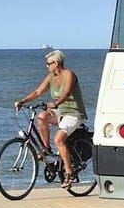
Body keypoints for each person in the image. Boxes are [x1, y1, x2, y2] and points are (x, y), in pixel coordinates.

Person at [15, 49, 88, 189]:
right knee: (42, 116)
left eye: (48, 63)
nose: (47, 66)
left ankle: (69, 173)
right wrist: (23, 101)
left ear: (56, 63)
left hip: (73, 113)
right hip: (60, 111)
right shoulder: (51, 77)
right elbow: (38, 92)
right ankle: (46, 148)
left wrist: (55, 103)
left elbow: (66, 93)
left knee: (59, 139)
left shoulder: (69, 74)